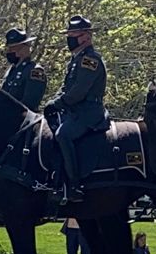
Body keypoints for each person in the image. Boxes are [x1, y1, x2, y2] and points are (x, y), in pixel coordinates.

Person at [43, 15, 108, 204]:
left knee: (64, 135)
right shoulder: (75, 60)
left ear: (86, 37)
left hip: (89, 112)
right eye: (69, 34)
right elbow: (66, 88)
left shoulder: (90, 60)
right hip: (73, 111)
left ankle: (74, 184)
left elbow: (79, 91)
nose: (69, 38)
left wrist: (58, 103)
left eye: (74, 35)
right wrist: (53, 101)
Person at [0, 27, 47, 112]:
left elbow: (30, 104)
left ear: (25, 48)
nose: (9, 52)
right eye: (9, 48)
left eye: (13, 48)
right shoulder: (12, 70)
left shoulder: (35, 71)